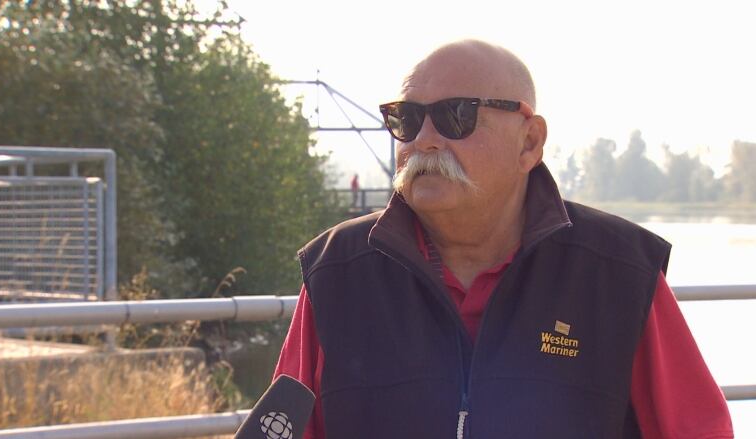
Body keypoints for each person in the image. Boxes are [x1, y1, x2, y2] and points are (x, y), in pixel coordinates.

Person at [274, 40, 733, 438]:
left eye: (456, 116)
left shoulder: (620, 273)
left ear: (529, 141)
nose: (425, 140)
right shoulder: (336, 273)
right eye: (407, 118)